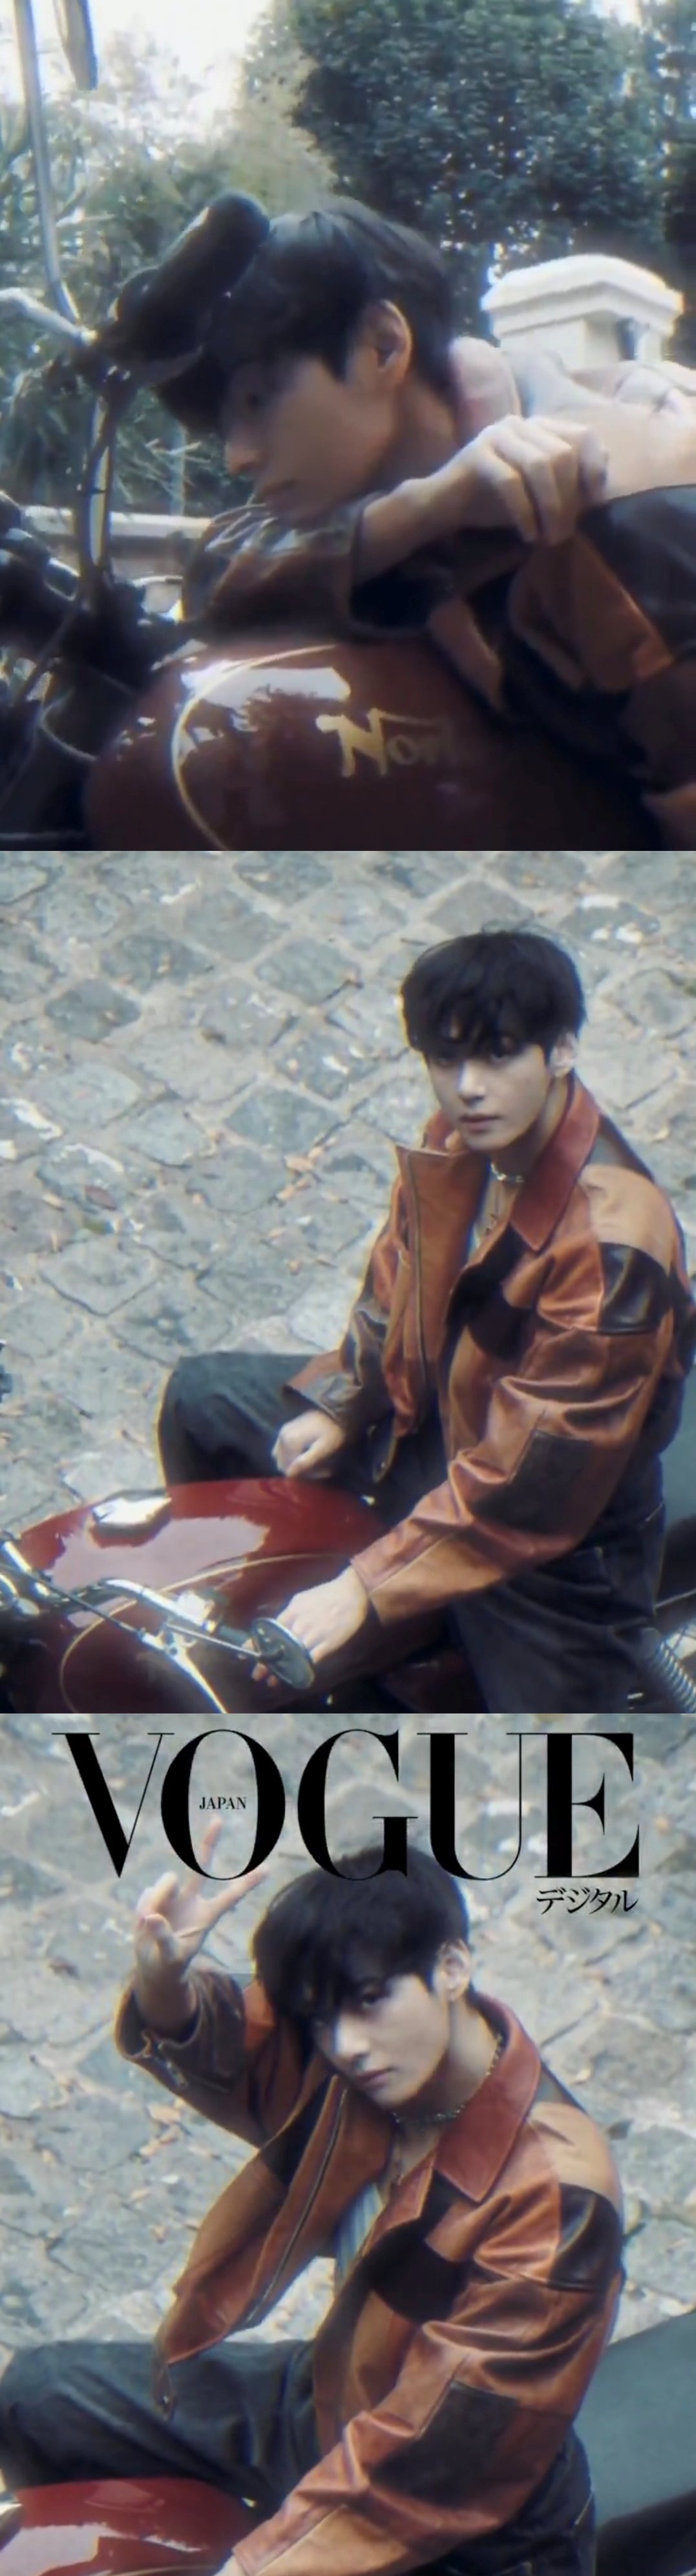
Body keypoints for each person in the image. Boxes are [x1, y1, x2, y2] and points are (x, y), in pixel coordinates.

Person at [0, 1838, 623, 2576]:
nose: (346, 2045)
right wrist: (164, 1981)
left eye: (370, 2000)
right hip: (331, 2399)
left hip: (468, 2522)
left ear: (453, 1966)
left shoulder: (559, 2191)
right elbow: (245, 2041)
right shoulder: (368, 2066)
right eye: (324, 2020)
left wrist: (252, 2568)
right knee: (40, 2398)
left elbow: (434, 2459)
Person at [157, 927, 696, 1716]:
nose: (468, 1087)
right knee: (200, 1400)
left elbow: (532, 1485)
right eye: (446, 1059)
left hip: (551, 1548)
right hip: (431, 1433)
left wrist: (365, 1587)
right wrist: (346, 1398)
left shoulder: (613, 1243)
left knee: (551, 1768)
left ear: (561, 1050)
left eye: (499, 1055)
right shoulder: (461, 1138)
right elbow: (399, 1280)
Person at [103, 193, 696, 844]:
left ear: (382, 346)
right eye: (226, 427)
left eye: (257, 400)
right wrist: (432, 505)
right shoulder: (366, 495)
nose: (238, 456)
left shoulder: (616, 514)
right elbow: (220, 567)